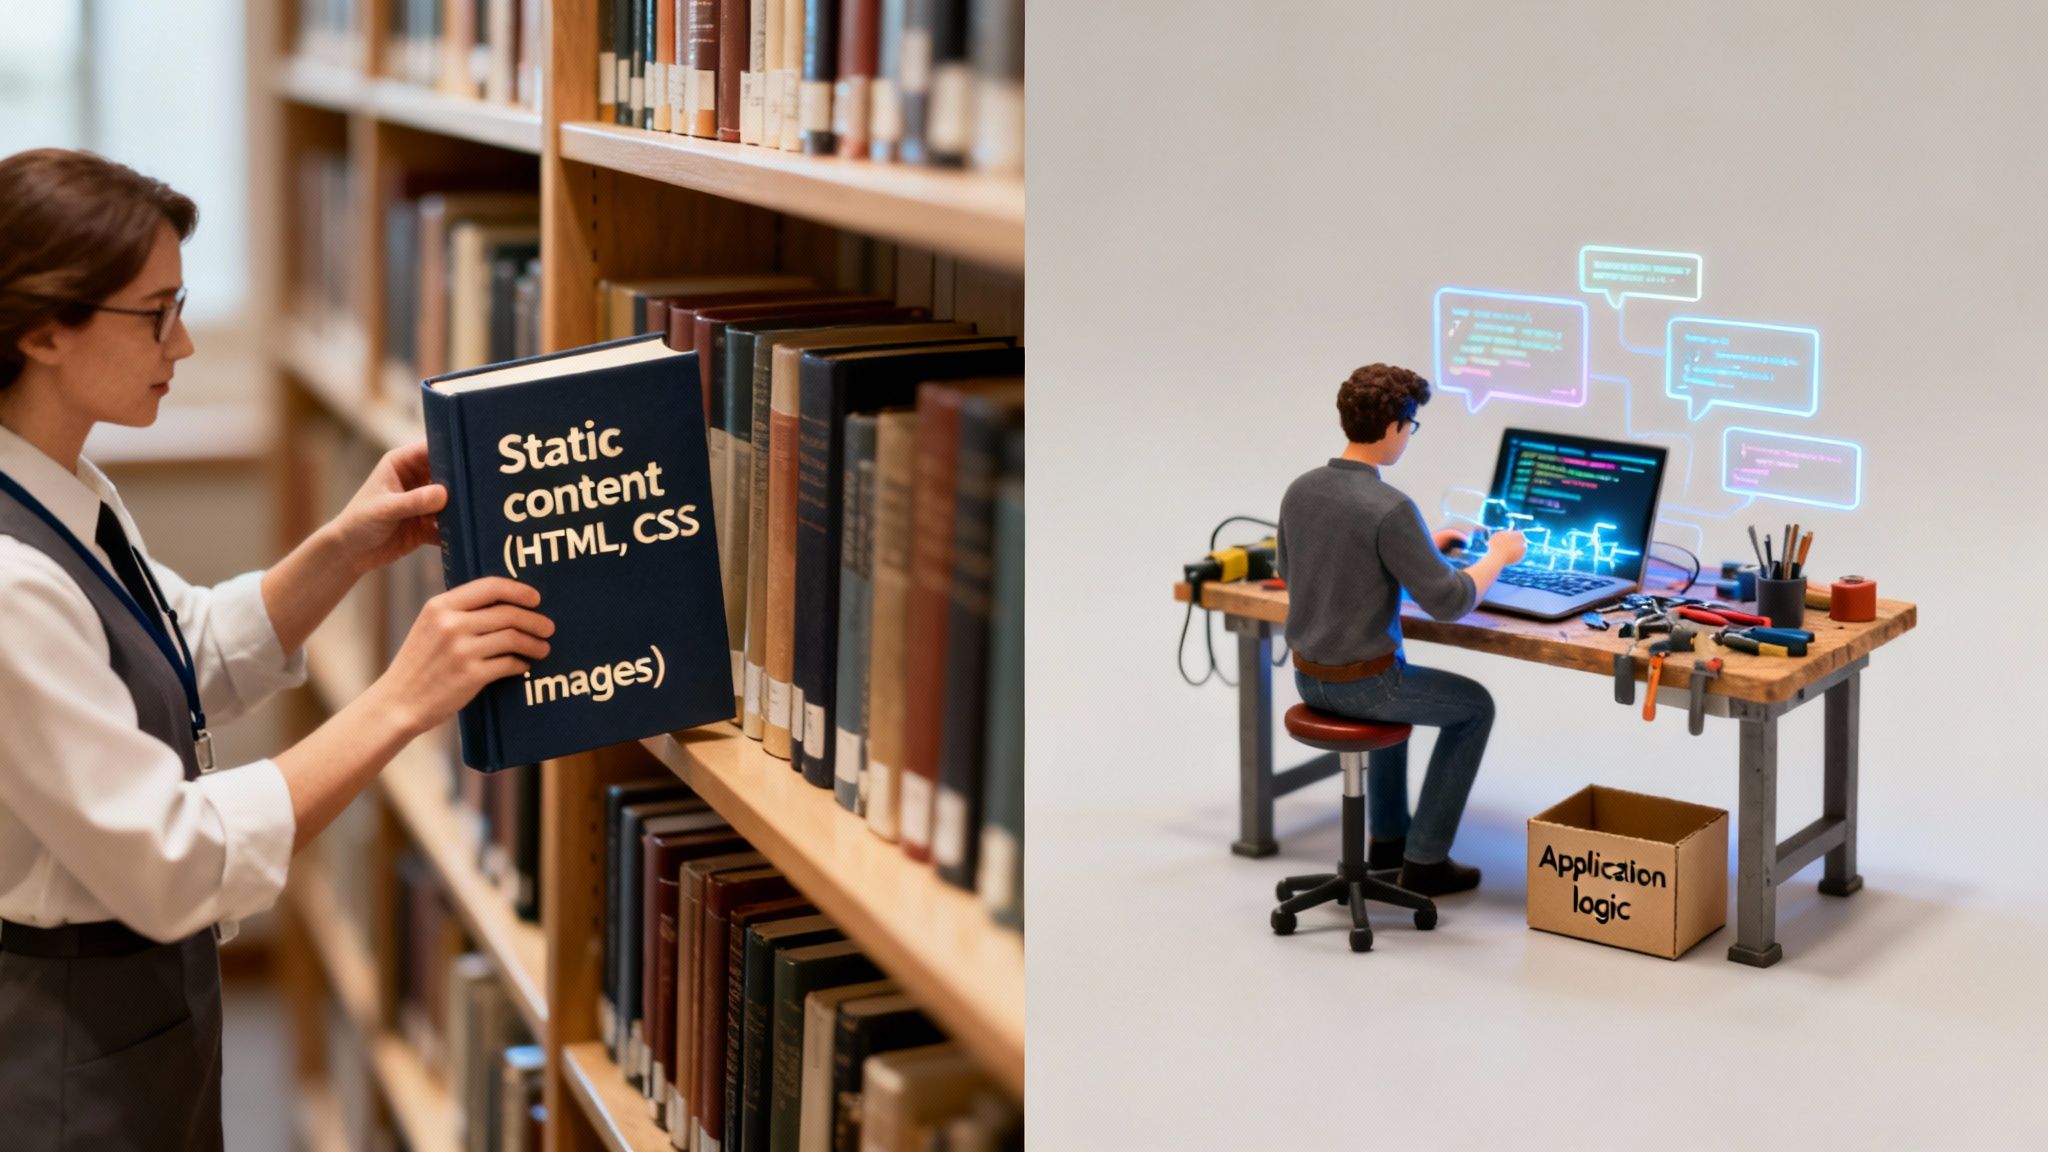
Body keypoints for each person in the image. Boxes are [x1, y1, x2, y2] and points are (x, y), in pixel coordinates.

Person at [0, 148, 554, 1149]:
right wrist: (398, 702)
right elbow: (171, 858)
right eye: (156, 311)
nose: (188, 342)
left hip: (133, 1009)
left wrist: (342, 551)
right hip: (64, 1049)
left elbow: (177, 657)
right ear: (45, 328)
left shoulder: (54, 485)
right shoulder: (9, 583)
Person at [1275, 363, 1526, 896]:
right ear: (1393, 426)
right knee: (1475, 707)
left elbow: (1291, 571)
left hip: (1308, 679)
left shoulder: (1301, 490)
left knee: (1399, 682)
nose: (1409, 437)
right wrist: (1498, 557)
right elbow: (1452, 601)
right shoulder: (1389, 507)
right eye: (1411, 427)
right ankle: (1427, 860)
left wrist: (1419, 548)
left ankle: (1388, 841)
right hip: (1365, 686)